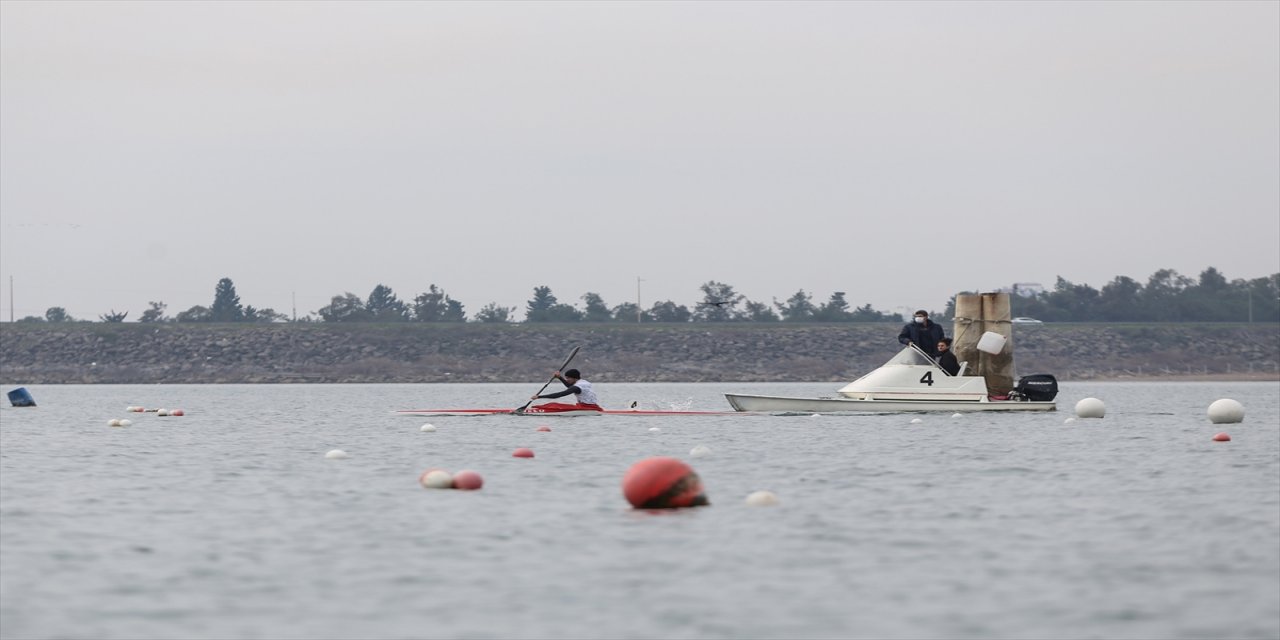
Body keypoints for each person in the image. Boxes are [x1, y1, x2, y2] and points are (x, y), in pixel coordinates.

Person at [529, 369, 603, 412]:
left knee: (553, 405)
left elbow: (560, 394)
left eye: (568, 378)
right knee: (554, 405)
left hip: (586, 408)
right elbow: (570, 387)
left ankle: (533, 410)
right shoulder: (584, 382)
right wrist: (559, 377)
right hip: (592, 407)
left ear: (574, 378)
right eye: (566, 378)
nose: (567, 380)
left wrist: (539, 397)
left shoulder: (577, 386)